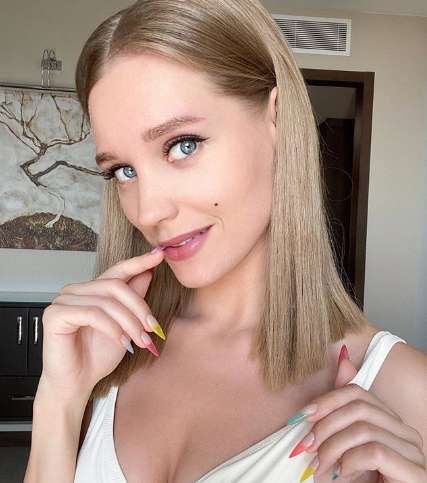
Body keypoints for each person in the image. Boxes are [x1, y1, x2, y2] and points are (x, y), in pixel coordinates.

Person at [24, 0, 427, 482]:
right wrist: (59, 399)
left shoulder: (404, 392)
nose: (148, 211)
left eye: (183, 145)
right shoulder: (106, 357)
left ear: (276, 120)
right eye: (123, 171)